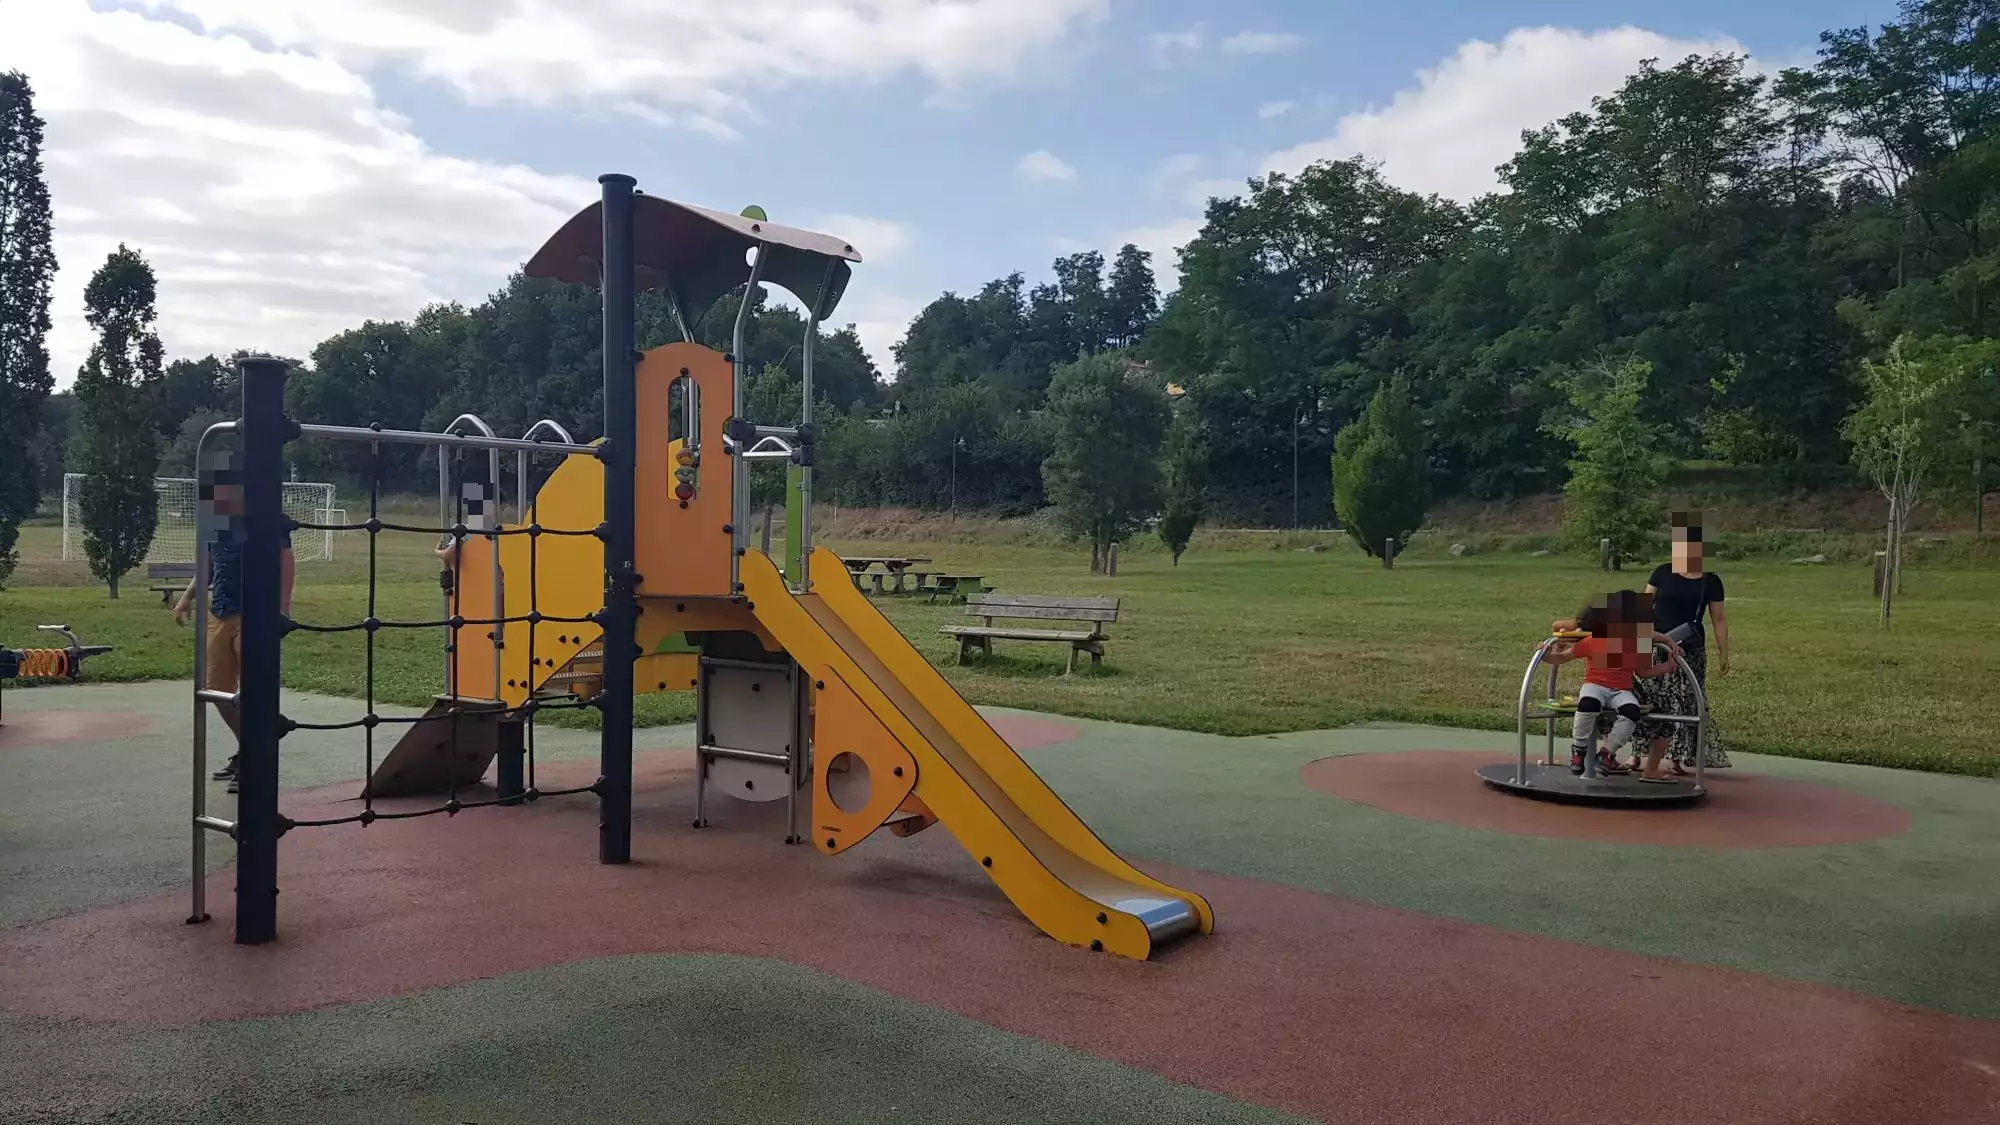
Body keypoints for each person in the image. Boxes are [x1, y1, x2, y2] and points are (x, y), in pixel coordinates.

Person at [171, 468, 294, 794]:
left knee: (253, 687)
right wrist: (185, 599)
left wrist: (283, 608)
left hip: (256, 612)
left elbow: (285, 558)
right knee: (218, 689)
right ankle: (248, 749)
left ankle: (256, 759)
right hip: (221, 611)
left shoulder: (265, 520)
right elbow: (209, 566)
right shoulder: (215, 523)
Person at [1639, 511, 1731, 774]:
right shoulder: (1662, 573)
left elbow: (1718, 619)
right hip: (1655, 645)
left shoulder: (1710, 581)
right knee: (1649, 698)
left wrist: (1724, 652)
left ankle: (1677, 758)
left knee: (1685, 701)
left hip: (1689, 649)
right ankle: (1638, 753)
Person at [1544, 590, 1672, 777]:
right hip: (1595, 685)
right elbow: (1563, 657)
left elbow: (1643, 672)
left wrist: (1667, 665)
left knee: (1631, 711)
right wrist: (1545, 655)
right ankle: (1579, 748)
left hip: (1621, 690)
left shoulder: (1637, 643)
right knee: (1588, 704)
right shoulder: (1595, 640)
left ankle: (1607, 753)